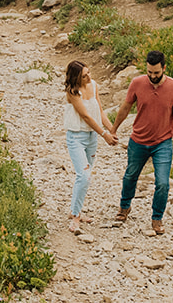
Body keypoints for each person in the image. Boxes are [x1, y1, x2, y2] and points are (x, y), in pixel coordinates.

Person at [109, 49, 173, 233]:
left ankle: (157, 218)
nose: (152, 76)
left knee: (162, 183)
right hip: (138, 140)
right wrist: (113, 129)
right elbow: (125, 107)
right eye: (149, 72)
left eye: (156, 73)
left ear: (164, 68)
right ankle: (124, 207)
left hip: (163, 143)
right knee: (130, 176)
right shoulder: (137, 83)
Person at [63, 60, 117, 233]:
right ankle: (76, 216)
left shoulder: (94, 85)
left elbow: (99, 111)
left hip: (92, 137)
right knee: (84, 175)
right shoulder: (72, 92)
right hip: (76, 137)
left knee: (85, 178)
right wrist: (105, 135)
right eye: (84, 76)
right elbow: (86, 116)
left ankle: (75, 210)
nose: (89, 77)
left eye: (88, 73)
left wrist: (112, 129)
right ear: (76, 78)